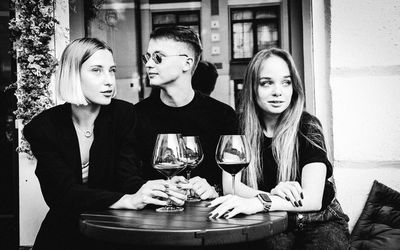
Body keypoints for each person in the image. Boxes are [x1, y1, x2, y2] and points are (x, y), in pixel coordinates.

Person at [23, 38, 186, 250]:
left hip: (113, 230)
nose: (109, 80)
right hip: (64, 233)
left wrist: (154, 189)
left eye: (112, 70)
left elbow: (127, 178)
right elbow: (62, 195)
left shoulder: (124, 114)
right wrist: (127, 201)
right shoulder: (43, 127)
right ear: (73, 74)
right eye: (97, 70)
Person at [208, 48, 349, 249]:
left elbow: (313, 199)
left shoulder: (308, 126)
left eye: (286, 82)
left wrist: (260, 201)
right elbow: (231, 186)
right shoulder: (237, 126)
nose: (278, 91)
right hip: (270, 220)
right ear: (252, 87)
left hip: (319, 220)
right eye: (267, 83)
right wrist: (274, 195)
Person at [134, 26, 238, 200]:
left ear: (187, 63)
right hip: (152, 219)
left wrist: (214, 191)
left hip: (209, 220)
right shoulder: (136, 115)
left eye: (158, 57)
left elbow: (232, 182)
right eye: (147, 57)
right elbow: (127, 180)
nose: (149, 64)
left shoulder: (222, 115)